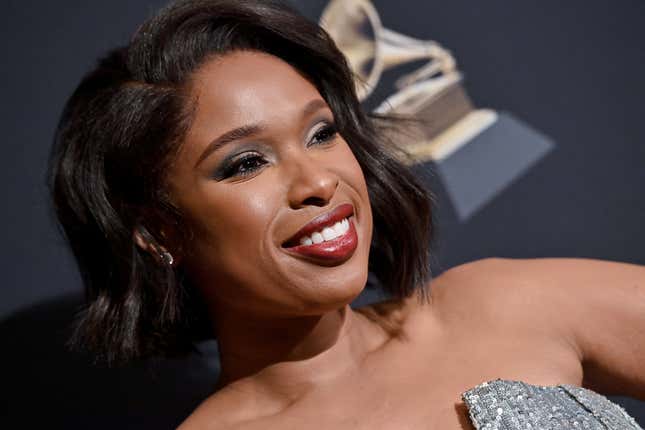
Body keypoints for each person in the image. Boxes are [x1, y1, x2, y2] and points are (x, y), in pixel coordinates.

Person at [48, 0, 645, 428]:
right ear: (159, 229)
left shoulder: (504, 302)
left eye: (321, 133)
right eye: (246, 163)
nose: (318, 181)